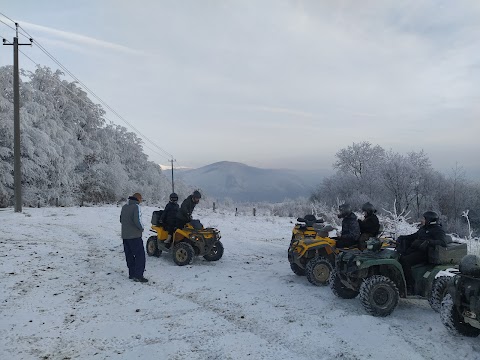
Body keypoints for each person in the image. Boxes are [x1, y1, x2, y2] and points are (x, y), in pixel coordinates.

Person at [397, 211, 447, 294]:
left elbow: (443, 242)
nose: (421, 220)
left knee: (405, 261)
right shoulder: (424, 228)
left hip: (426, 254)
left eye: (424, 218)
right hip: (417, 250)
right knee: (399, 257)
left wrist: (429, 242)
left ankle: (410, 286)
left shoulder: (437, 230)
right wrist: (401, 237)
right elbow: (413, 236)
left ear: (429, 220)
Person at [120, 192, 148, 283]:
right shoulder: (136, 207)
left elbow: (121, 219)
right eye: (141, 199)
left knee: (129, 255)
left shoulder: (124, 207)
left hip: (125, 236)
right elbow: (137, 220)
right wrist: (142, 228)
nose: (141, 201)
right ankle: (139, 275)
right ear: (138, 199)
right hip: (135, 236)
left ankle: (131, 274)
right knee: (140, 256)